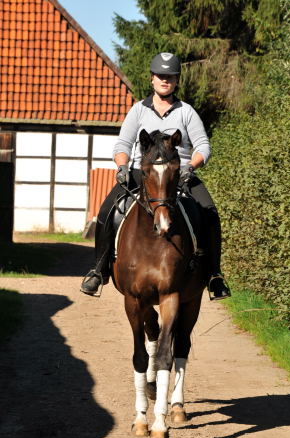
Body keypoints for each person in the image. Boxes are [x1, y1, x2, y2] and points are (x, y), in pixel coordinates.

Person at [81, 52, 231, 300]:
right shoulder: (138, 110)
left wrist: (190, 166)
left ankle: (215, 275)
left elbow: (203, 145)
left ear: (176, 80)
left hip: (179, 173)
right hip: (144, 173)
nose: (165, 80)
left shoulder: (187, 112)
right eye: (161, 76)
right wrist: (122, 167)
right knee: (107, 210)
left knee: (210, 213)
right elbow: (123, 145)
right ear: (152, 79)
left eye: (170, 77)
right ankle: (99, 269)